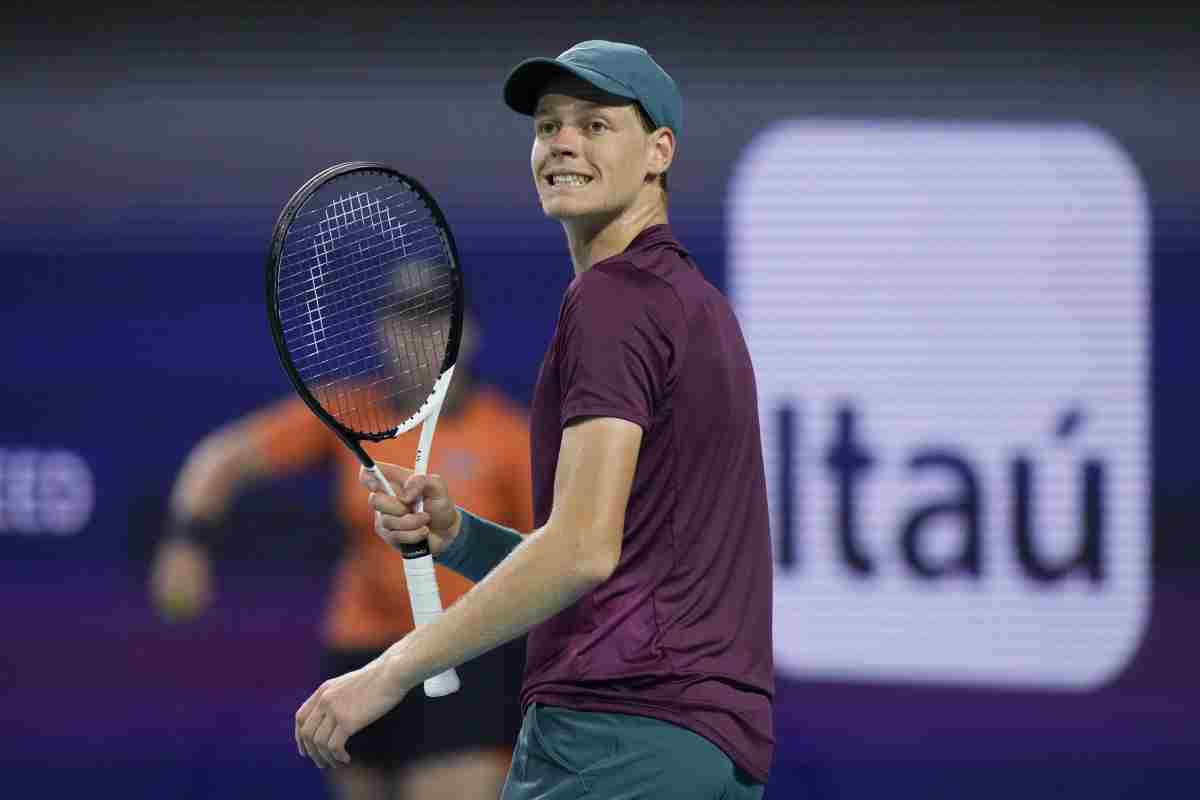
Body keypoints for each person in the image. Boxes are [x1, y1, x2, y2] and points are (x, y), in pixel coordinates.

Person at [294, 40, 775, 798]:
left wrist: (390, 671)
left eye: (594, 124)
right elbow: (620, 566)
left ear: (659, 151)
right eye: (548, 126)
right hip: (708, 747)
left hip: (613, 735)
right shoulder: (696, 305)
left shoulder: (612, 301)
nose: (562, 144)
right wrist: (461, 539)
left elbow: (580, 551)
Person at [150, 313, 531, 800]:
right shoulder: (347, 410)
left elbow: (538, 558)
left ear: (470, 334)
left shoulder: (510, 436)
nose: (420, 337)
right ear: (382, 332)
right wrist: (186, 542)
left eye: (436, 321)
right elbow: (217, 460)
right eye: (406, 321)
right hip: (359, 653)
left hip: (465, 658)